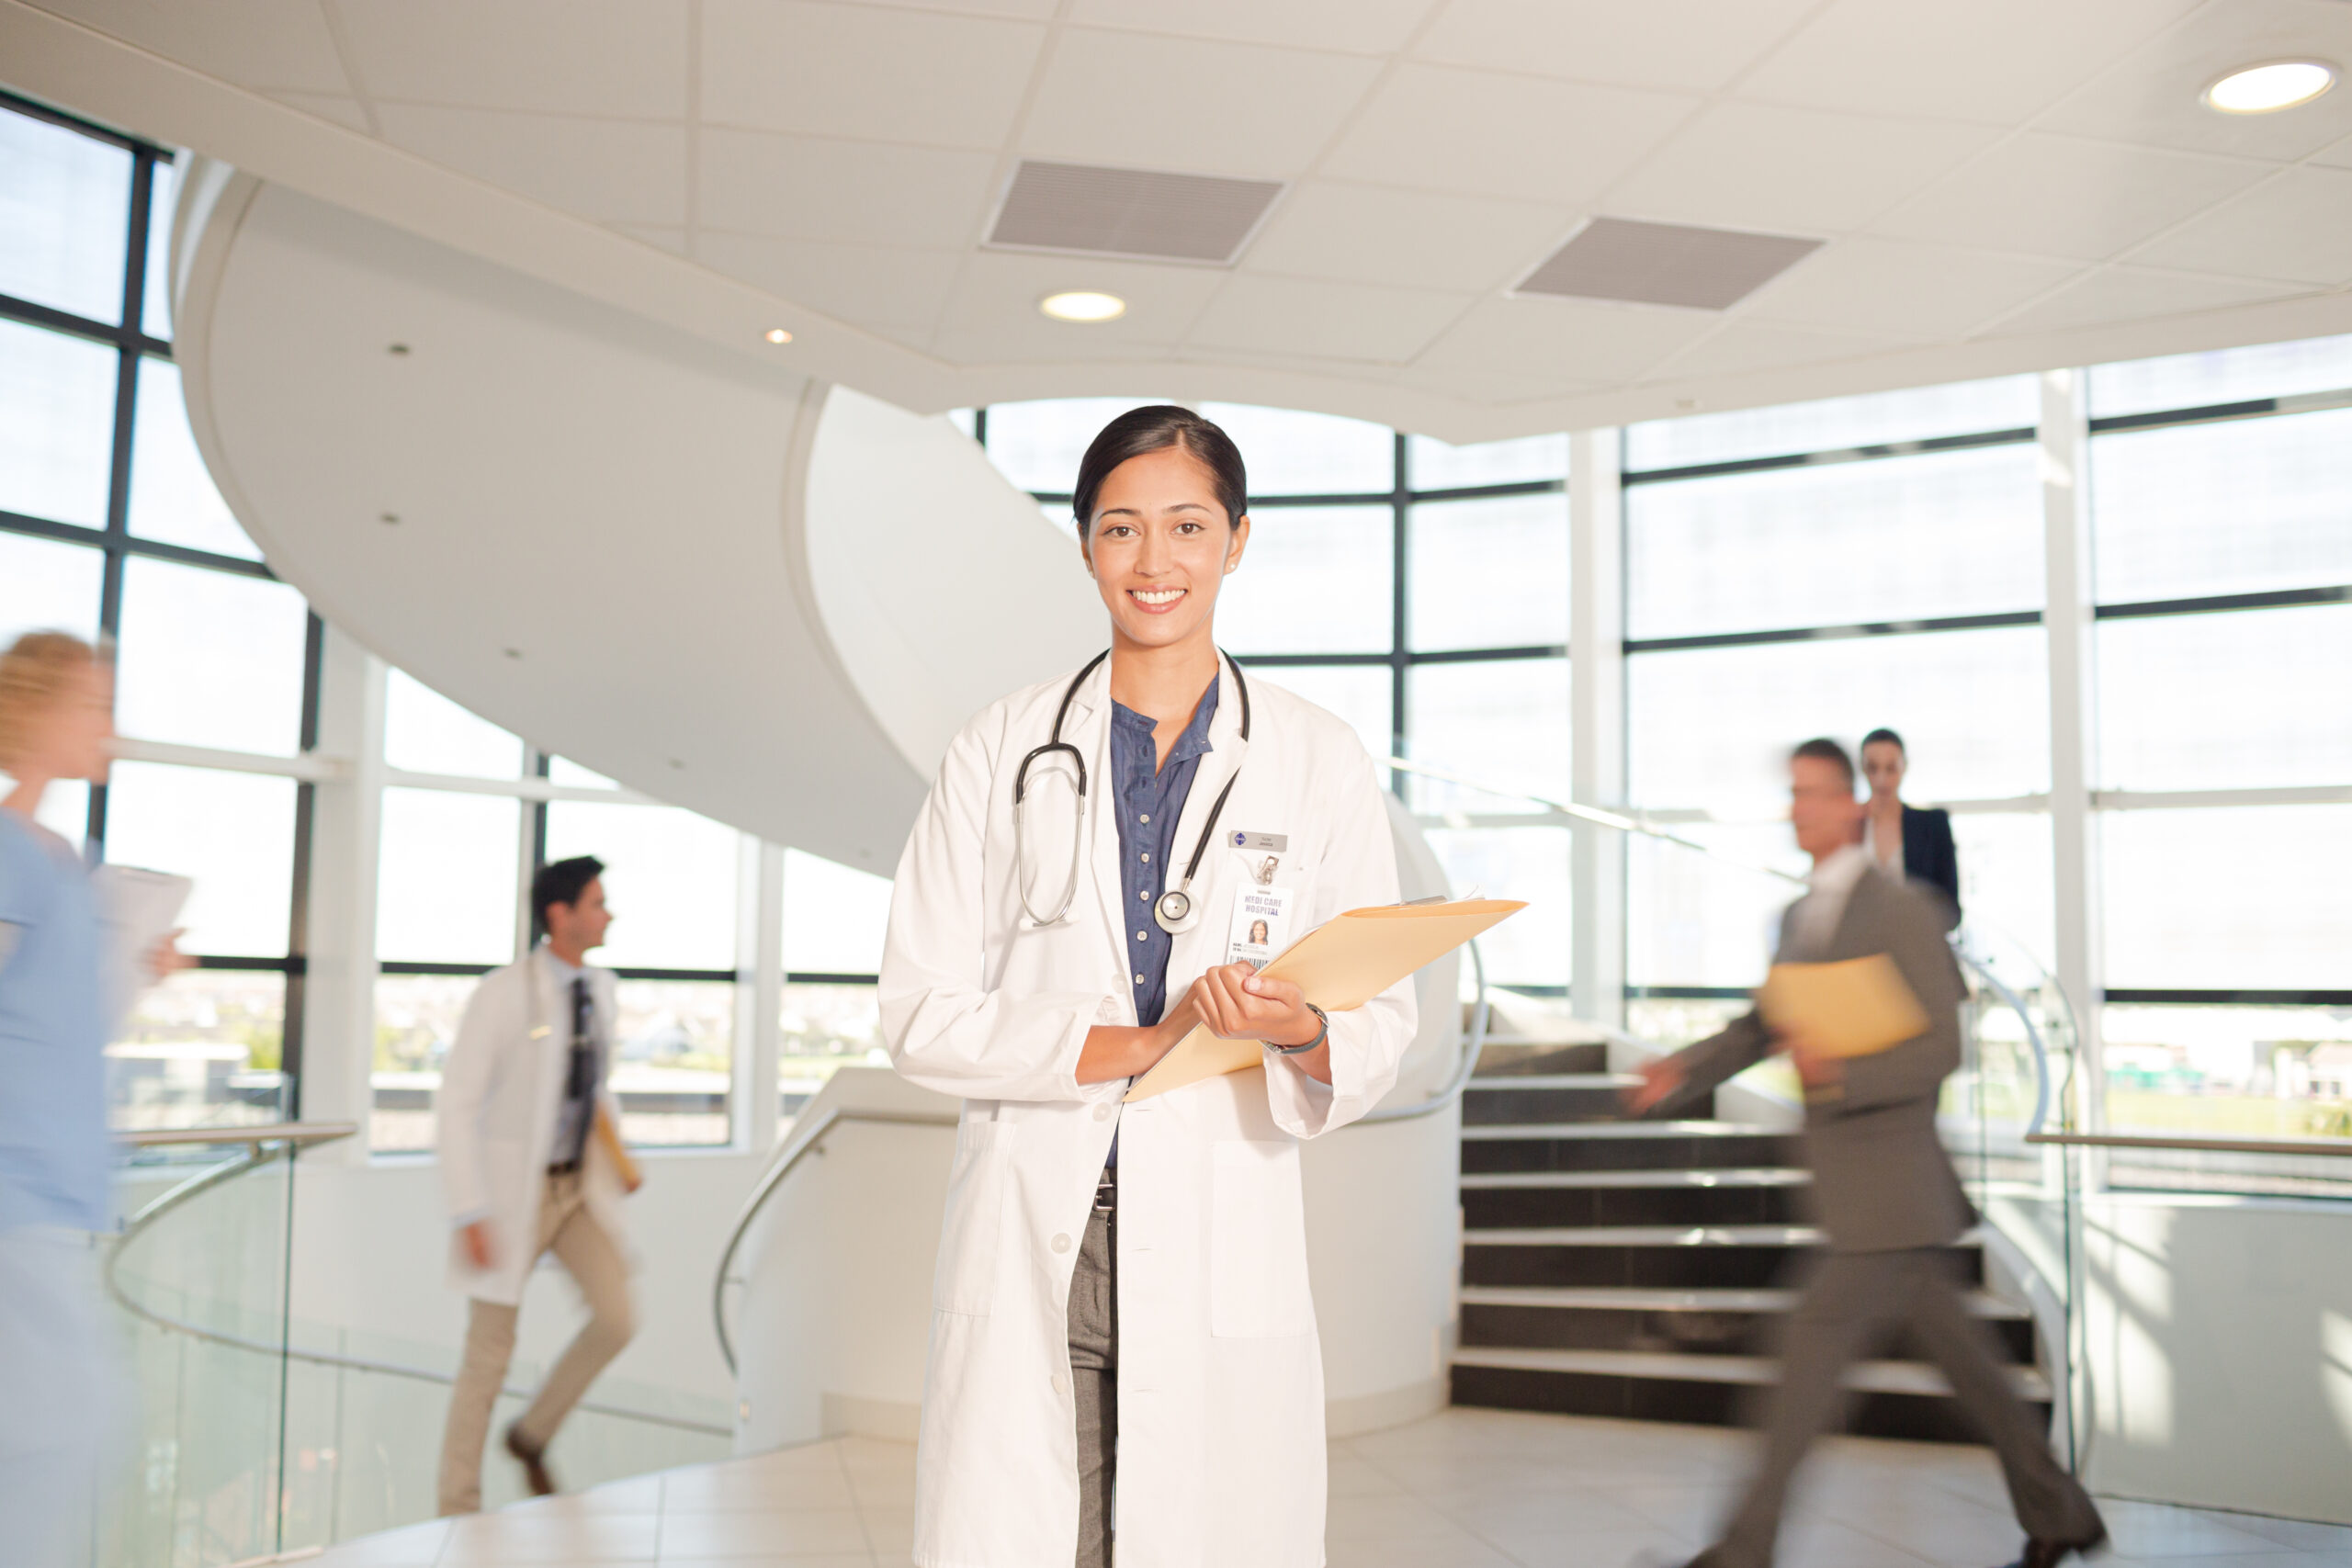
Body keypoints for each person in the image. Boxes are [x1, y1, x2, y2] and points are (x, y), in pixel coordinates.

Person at [879, 405, 1417, 1568]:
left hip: (1219, 1223)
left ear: (1236, 541)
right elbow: (918, 1013)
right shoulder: (1000, 749)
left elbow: (1381, 1027)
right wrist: (1136, 1043)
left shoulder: (1315, 757)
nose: (1154, 560)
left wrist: (1303, 1026)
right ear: (1083, 547)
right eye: (1121, 528)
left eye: (1186, 525)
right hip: (1041, 1223)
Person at [1627, 739, 2103, 1568]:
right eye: (1793, 793)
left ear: (1850, 803)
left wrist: (1843, 1072)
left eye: (1812, 793)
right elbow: (1765, 1024)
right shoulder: (1798, 917)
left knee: (1802, 1370)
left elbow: (1941, 1046)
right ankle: (2061, 1511)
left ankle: (1742, 1552)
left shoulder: (1901, 908)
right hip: (1868, 1200)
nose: (1798, 808)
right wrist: (1684, 1067)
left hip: (1891, 1194)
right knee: (1977, 1376)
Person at [0, 631, 186, 1568]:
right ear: (38, 712)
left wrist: (133, 970)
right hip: (12, 1196)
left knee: (61, 1441)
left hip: (55, 1195)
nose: (113, 731)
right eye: (97, 707)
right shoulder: (6, 853)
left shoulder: (67, 860)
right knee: (65, 1436)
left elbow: (68, 1024)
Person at [435, 854, 640, 1515]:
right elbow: (457, 1104)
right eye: (597, 902)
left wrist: (623, 1159)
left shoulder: (600, 988)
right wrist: (470, 1210)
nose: (607, 913)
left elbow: (593, 1087)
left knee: (617, 1318)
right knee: (488, 1355)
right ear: (560, 913)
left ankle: (531, 1433)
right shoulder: (502, 992)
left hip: (576, 1190)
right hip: (507, 1200)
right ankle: (456, 1506)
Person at [1860, 727, 1960, 930]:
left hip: (1919, 949)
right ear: (1862, 769)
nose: (1881, 780)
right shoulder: (1849, 826)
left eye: (1890, 768)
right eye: (1873, 768)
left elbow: (1951, 910)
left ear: (1904, 766)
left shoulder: (1932, 825)